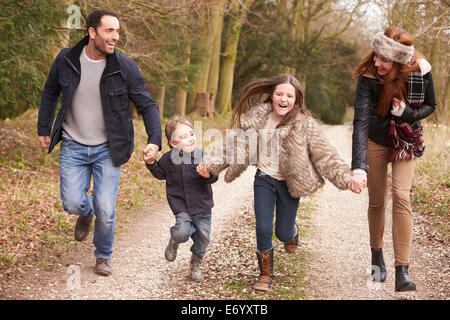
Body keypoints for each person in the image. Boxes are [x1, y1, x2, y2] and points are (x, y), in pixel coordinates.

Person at [202, 74, 359, 291]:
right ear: (272, 96)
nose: (283, 99)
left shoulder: (305, 124)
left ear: (296, 100)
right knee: (263, 228)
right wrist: (209, 165)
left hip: (289, 184)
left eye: (289, 95)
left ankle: (291, 232)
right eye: (279, 94)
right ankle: (265, 274)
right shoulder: (257, 118)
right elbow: (233, 144)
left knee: (282, 233)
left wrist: (346, 177)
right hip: (264, 180)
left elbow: (325, 155)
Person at [37, 9, 162, 276]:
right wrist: (43, 127)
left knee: (107, 208)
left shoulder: (124, 67)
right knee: (72, 202)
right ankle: (86, 212)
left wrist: (155, 140)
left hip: (109, 148)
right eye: (109, 30)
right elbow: (50, 92)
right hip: (73, 144)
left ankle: (103, 256)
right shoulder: (66, 59)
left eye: (117, 31)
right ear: (92, 32)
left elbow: (147, 105)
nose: (115, 36)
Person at [349, 26, 436, 291]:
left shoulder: (420, 72)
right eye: (376, 56)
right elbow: (361, 122)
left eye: (383, 59)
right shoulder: (367, 78)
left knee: (401, 195)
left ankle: (402, 271)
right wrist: (358, 167)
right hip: (376, 139)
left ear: (398, 61)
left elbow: (431, 105)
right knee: (377, 201)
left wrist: (407, 112)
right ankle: (377, 259)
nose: (376, 62)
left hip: (406, 138)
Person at [144, 116, 218, 282]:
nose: (190, 138)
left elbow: (214, 176)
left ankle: (195, 265)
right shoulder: (169, 159)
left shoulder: (203, 156)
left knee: (203, 239)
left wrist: (209, 174)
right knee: (181, 232)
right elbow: (159, 173)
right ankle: (174, 241)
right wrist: (150, 162)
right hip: (181, 207)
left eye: (191, 134)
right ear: (173, 143)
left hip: (202, 207)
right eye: (183, 137)